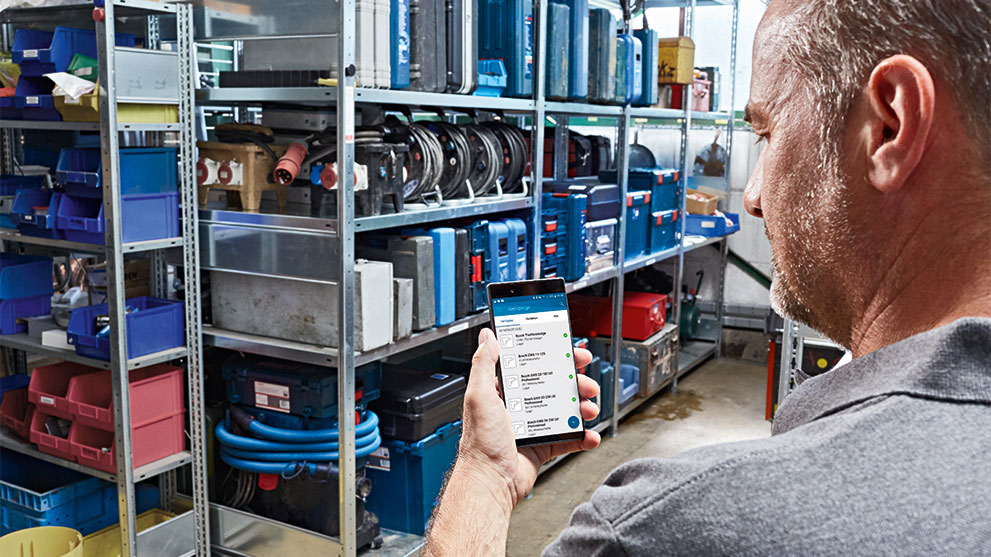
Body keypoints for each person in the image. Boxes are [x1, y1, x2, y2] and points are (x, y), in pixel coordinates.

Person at [424, 0, 991, 554]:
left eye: (766, 135)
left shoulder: (669, 525)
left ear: (890, 125)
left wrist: (486, 471)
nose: (753, 197)